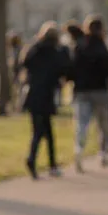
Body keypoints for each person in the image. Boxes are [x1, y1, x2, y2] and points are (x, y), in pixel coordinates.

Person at [21, 21, 71, 179]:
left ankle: (48, 163)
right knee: (44, 131)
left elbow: (25, 63)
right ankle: (41, 161)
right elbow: (64, 71)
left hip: (33, 94)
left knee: (41, 130)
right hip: (47, 95)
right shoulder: (56, 53)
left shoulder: (34, 49)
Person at [70, 15, 108, 172]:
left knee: (82, 124)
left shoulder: (79, 46)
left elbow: (72, 68)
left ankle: (79, 150)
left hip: (82, 90)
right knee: (103, 125)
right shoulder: (103, 46)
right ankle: (103, 154)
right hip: (100, 91)